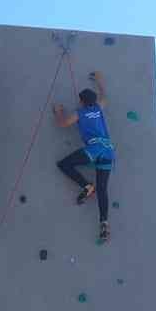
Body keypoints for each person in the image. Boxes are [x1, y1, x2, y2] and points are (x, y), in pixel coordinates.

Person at [54, 69, 115, 244]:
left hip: (94, 149)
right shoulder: (98, 108)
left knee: (64, 165)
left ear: (81, 102)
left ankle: (87, 186)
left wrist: (58, 111)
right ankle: (104, 223)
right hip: (108, 151)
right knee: (103, 188)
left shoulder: (79, 113)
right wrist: (99, 80)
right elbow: (105, 97)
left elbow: (63, 123)